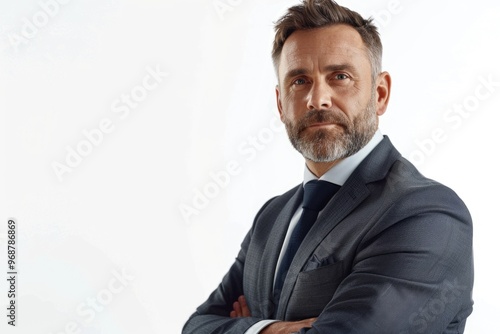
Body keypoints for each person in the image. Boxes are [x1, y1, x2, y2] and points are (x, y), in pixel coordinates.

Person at [182, 0, 474, 333]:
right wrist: (272, 329)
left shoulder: (426, 214)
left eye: (340, 76)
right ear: (280, 104)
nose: (317, 99)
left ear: (380, 94)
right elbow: (195, 327)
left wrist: (246, 325)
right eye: (299, 81)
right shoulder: (272, 218)